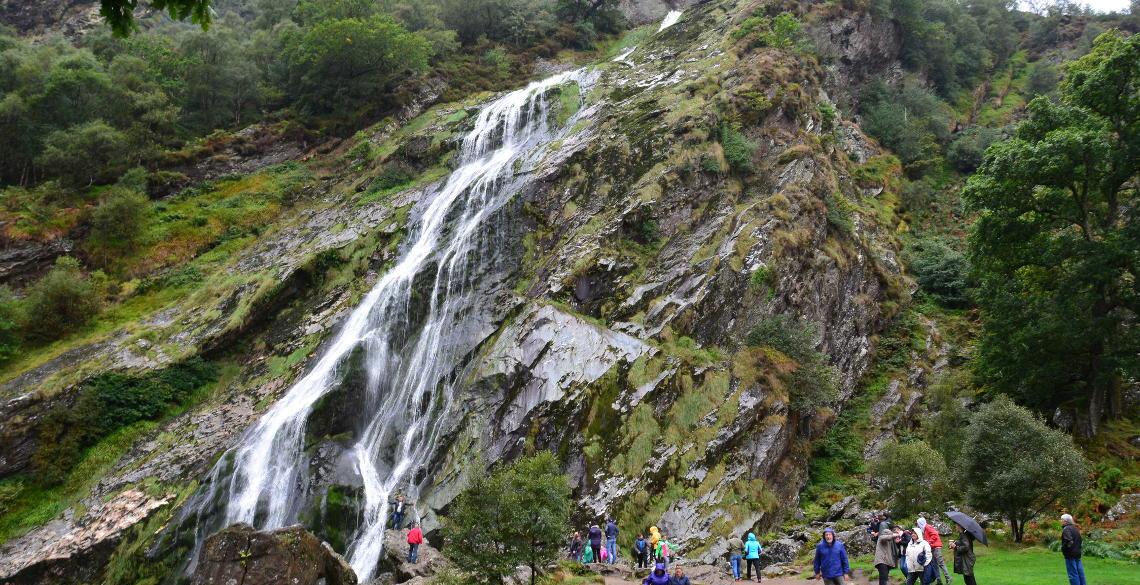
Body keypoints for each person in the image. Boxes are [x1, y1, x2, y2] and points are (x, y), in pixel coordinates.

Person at [919, 517, 951, 585]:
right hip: (932, 548)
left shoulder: (928, 527)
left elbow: (935, 535)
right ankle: (939, 580)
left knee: (940, 563)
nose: (918, 525)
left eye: (919, 523)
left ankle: (948, 578)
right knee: (934, 565)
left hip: (936, 547)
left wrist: (928, 542)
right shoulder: (924, 529)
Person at [1061, 514, 1087, 585]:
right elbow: (1080, 540)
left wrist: (1063, 549)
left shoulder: (1066, 529)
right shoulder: (1075, 528)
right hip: (1077, 553)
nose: (1061, 521)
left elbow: (1069, 541)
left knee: (1073, 574)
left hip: (1070, 554)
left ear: (1066, 521)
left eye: (1062, 520)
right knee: (1080, 572)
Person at [949, 521, 977, 585]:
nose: (955, 527)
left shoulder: (964, 535)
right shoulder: (962, 535)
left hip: (967, 559)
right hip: (966, 559)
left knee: (969, 578)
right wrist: (954, 544)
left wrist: (956, 547)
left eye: (956, 525)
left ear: (960, 526)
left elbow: (966, 547)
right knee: (968, 578)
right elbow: (962, 544)